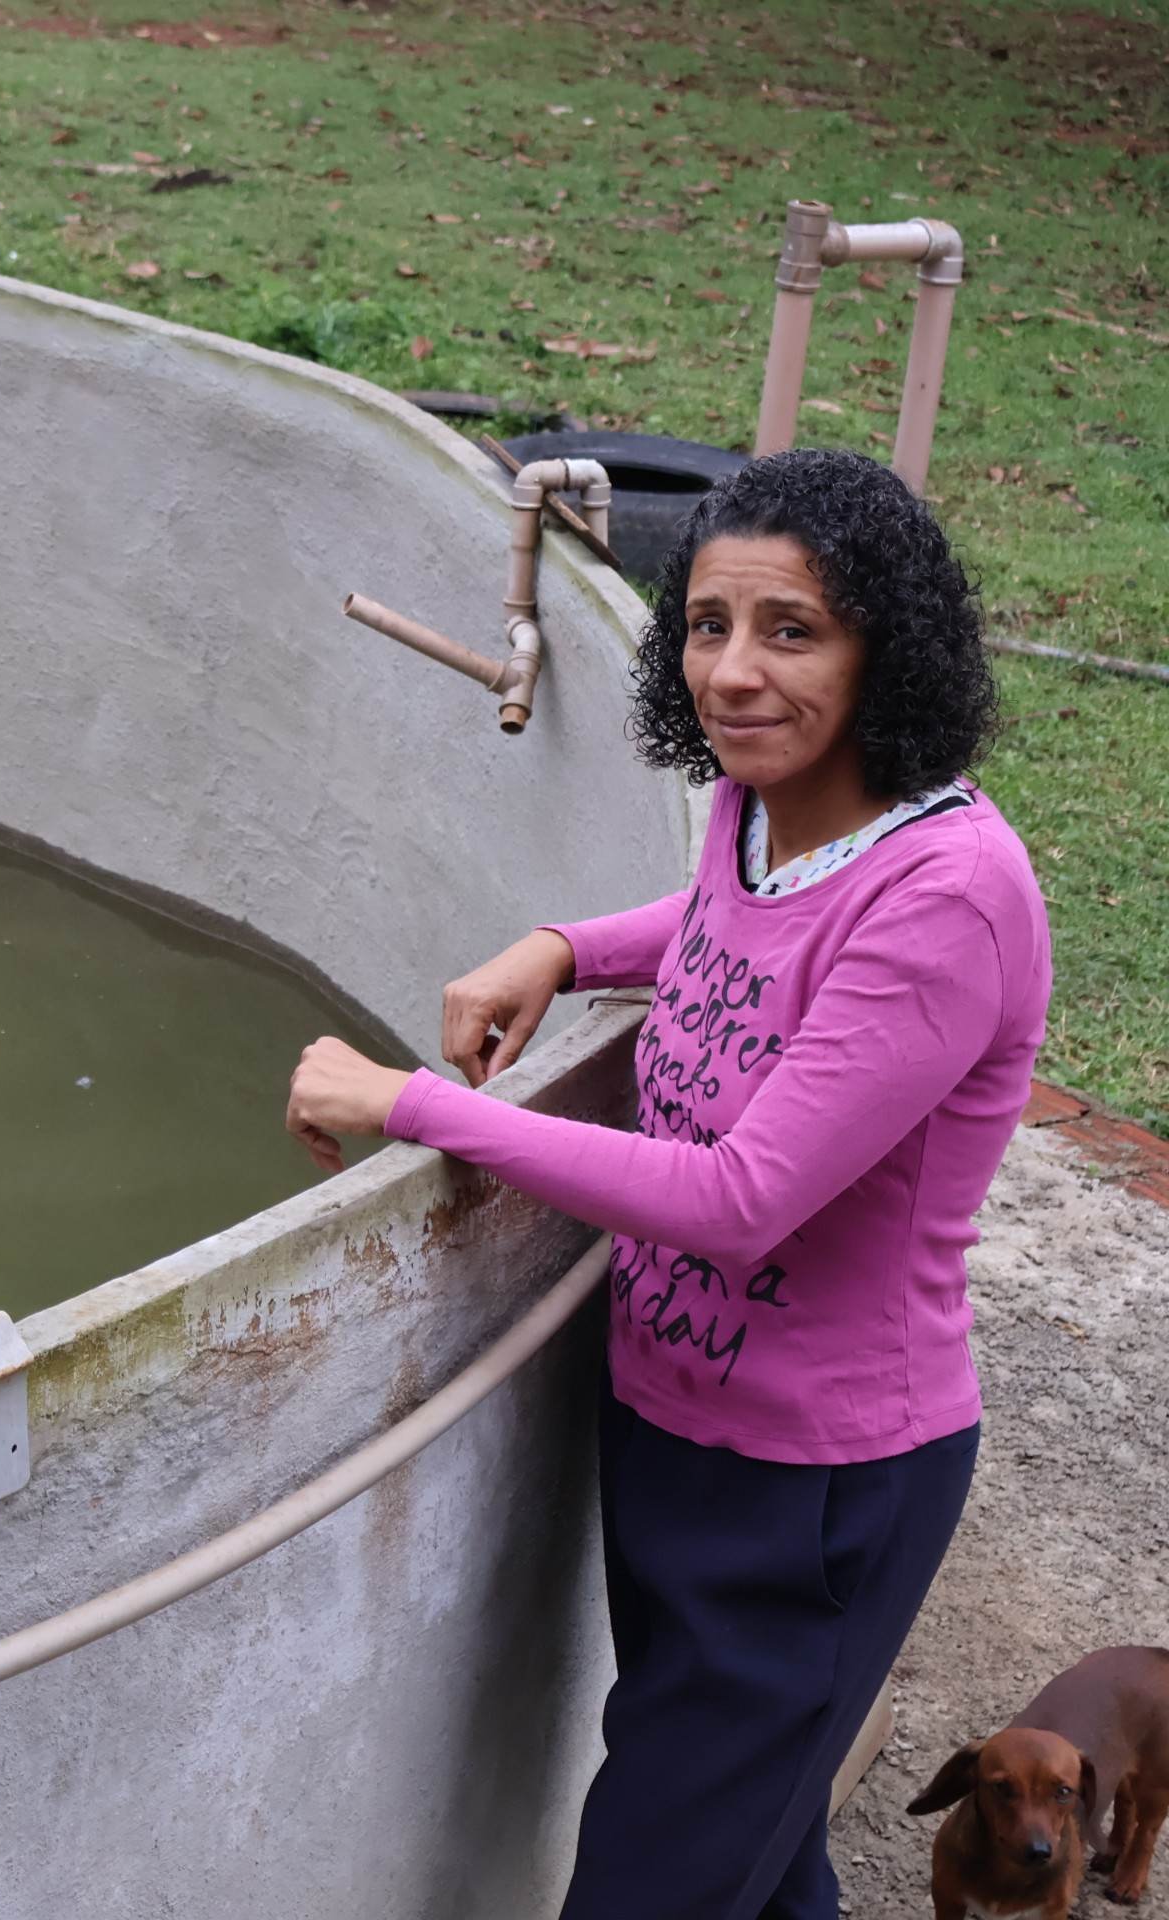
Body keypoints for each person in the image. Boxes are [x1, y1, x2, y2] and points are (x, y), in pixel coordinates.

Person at [284, 447, 1053, 1920]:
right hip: (674, 1428)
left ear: (885, 644)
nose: (735, 674)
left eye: (792, 631)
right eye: (707, 625)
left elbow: (739, 1196)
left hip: (818, 1488)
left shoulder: (949, 898)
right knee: (747, 1865)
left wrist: (420, 1108)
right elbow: (726, 923)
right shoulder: (765, 808)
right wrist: (568, 945)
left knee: (658, 1879)